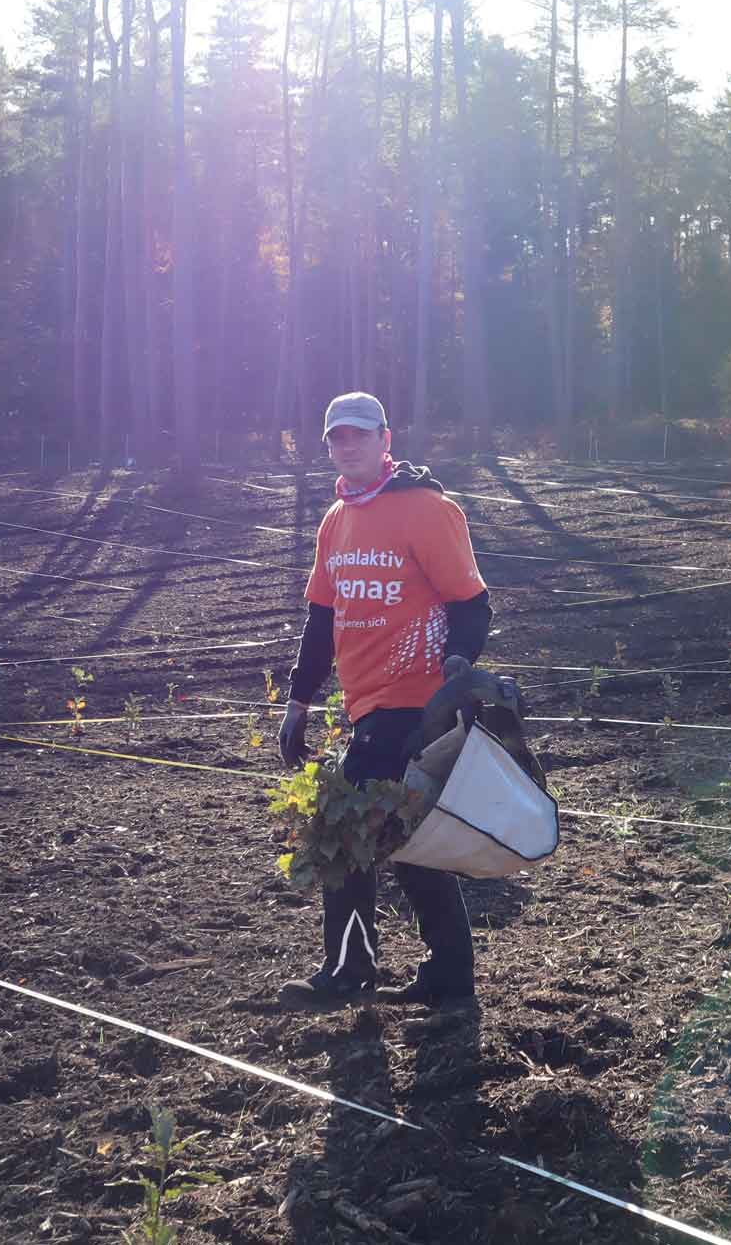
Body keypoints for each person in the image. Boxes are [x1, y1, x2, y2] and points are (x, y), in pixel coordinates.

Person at [276, 391, 493, 1013]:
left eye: (359, 436)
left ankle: (350, 971)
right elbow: (321, 621)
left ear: (385, 440)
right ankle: (449, 975)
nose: (348, 447)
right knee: (403, 835)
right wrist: (298, 701)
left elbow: (471, 602)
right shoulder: (335, 522)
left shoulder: (427, 510)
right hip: (368, 703)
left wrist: (460, 663)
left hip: (418, 702)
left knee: (345, 825)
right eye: (337, 439)